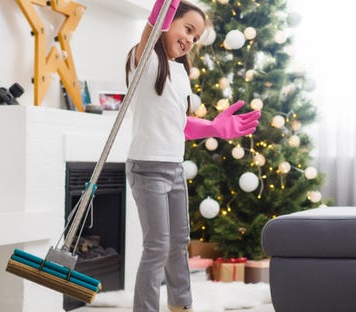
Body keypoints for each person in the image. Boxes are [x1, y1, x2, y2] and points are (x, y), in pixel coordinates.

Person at [124, 1, 261, 311]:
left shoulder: (179, 72)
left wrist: (214, 126)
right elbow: (153, 25)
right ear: (168, 21)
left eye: (196, 37)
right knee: (157, 246)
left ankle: (181, 306)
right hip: (147, 168)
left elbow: (181, 126)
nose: (190, 40)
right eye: (187, 29)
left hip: (173, 168)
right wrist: (165, 6)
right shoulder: (144, 59)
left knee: (178, 244)